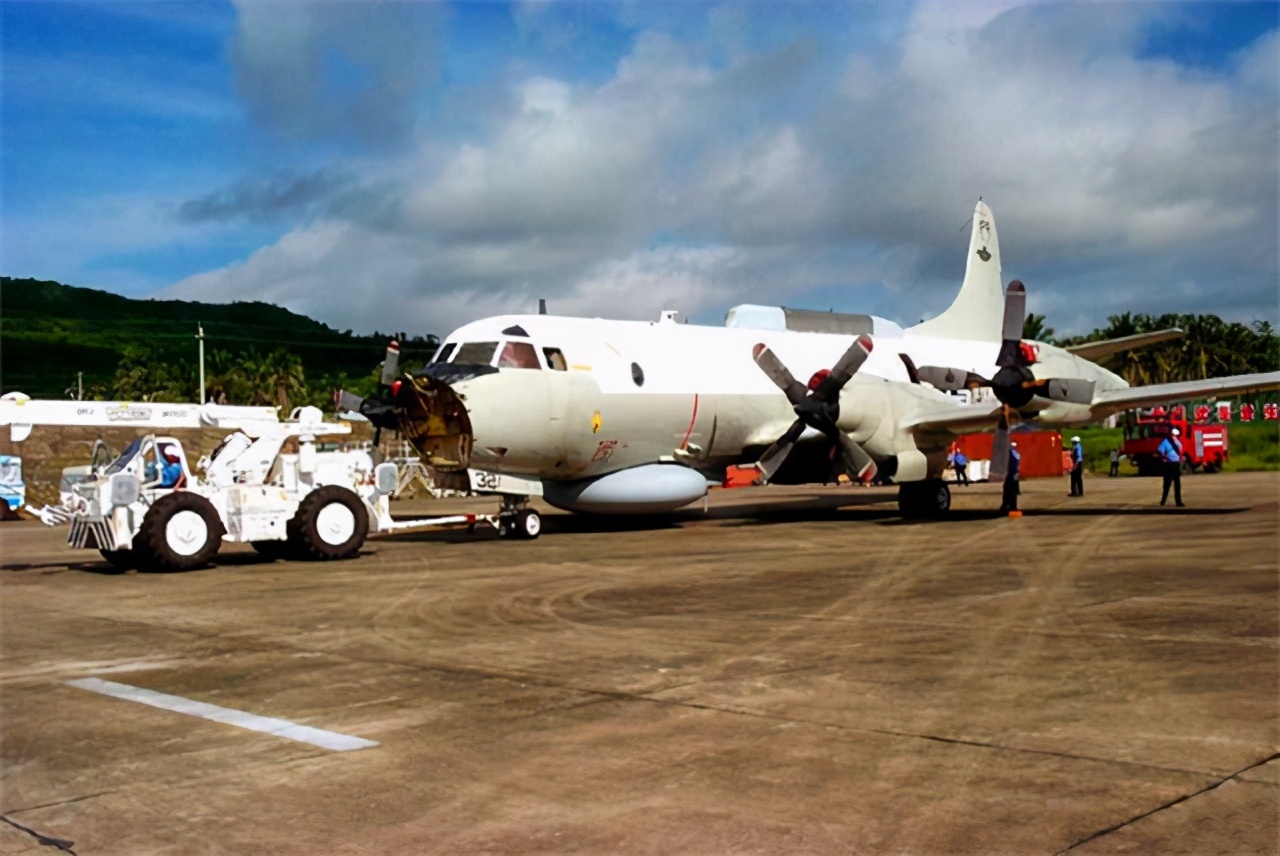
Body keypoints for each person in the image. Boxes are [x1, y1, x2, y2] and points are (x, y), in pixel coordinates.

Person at [1158, 428, 1184, 507]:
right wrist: (1165, 458)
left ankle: (1178, 502)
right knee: (1167, 485)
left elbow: (1180, 451)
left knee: (1177, 485)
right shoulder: (1166, 441)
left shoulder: (1178, 442)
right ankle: (1163, 501)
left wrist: (1180, 457)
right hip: (1169, 465)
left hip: (1176, 464)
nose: (1175, 436)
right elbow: (1160, 451)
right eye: (1174, 435)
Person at [999, 442, 1021, 514]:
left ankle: (1006, 506)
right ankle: (1012, 506)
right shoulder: (1017, 454)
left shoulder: (1011, 453)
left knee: (1008, 489)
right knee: (1013, 490)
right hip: (1015, 473)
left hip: (1011, 474)